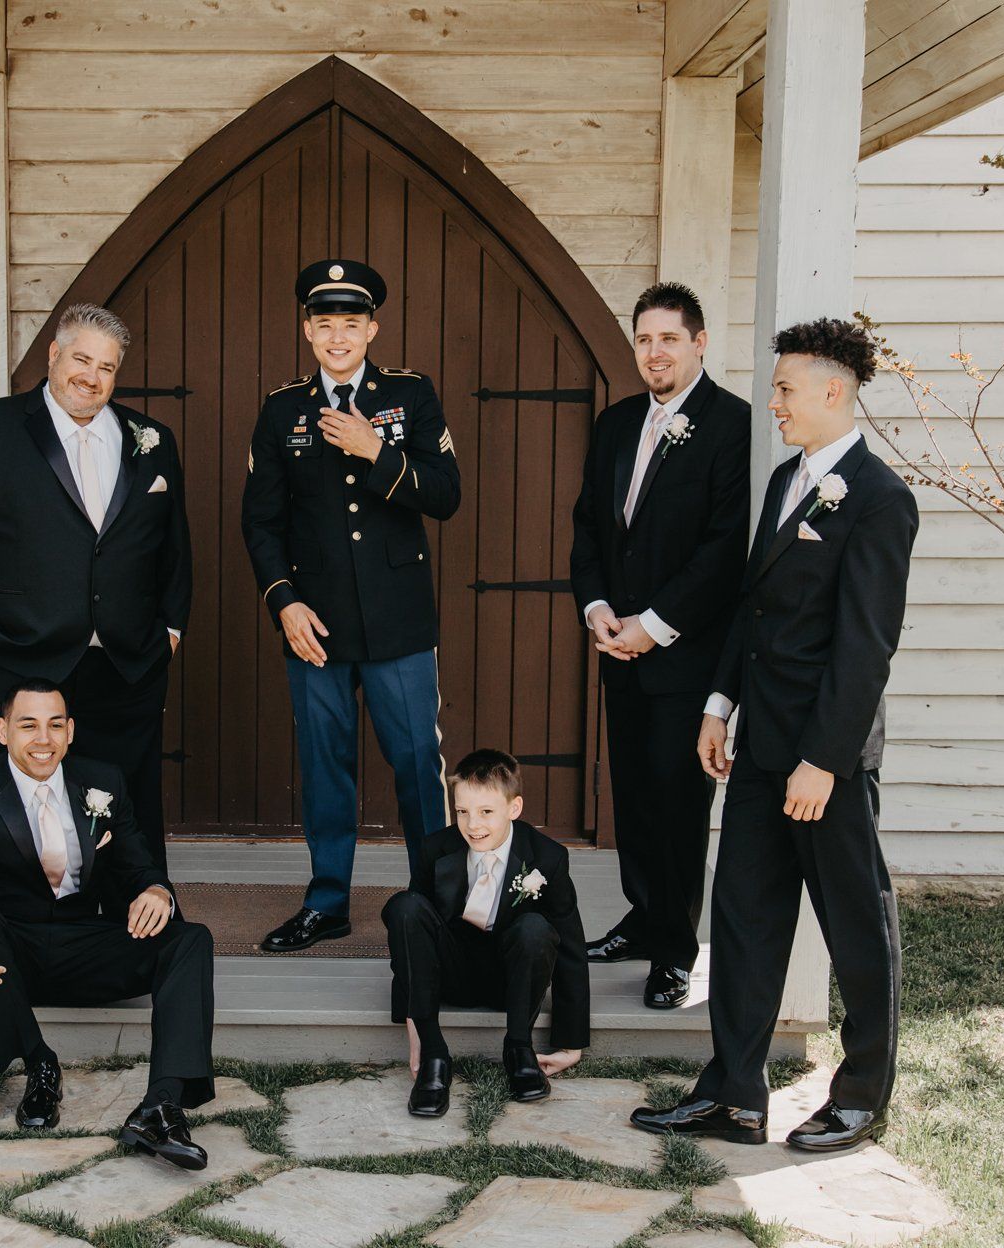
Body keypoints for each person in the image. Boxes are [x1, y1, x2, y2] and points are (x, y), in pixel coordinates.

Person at [630, 318, 917, 1152]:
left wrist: (823, 762)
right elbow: (751, 612)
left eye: (786, 388)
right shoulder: (788, 480)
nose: (774, 402)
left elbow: (867, 650)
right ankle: (734, 1093)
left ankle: (862, 1095)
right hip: (758, 751)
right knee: (746, 917)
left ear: (834, 391)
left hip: (823, 760)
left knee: (856, 924)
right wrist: (720, 704)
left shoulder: (879, 499)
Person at [0, 678, 217, 1170]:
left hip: (85, 945)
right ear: (2, 731)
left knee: (191, 939)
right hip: (5, 959)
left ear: (71, 731)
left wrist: (156, 890)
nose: (43, 739)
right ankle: (39, 1064)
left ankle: (161, 1108)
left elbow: (142, 866)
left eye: (55, 725)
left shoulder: (103, 784)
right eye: (28, 725)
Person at [0, 303, 191, 865]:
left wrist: (168, 631)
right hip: (8, 655)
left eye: (107, 367)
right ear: (54, 355)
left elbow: (175, 547)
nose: (91, 376)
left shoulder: (153, 439)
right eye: (82, 359)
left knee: (125, 813)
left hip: (124, 662)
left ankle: (133, 930)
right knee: (0, 816)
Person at [241, 259, 461, 952]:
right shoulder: (283, 410)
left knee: (418, 768)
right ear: (307, 329)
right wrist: (284, 603)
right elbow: (261, 521)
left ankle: (434, 899)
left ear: (374, 328)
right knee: (325, 765)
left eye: (352, 322)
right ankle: (328, 901)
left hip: (398, 621)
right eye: (325, 322)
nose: (339, 335)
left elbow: (446, 493)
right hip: (318, 624)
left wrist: (375, 451)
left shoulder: (410, 395)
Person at [568, 281, 751, 1009]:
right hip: (619, 650)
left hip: (686, 657)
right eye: (645, 339)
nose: (654, 352)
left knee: (678, 808)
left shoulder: (733, 426)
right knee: (634, 800)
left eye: (668, 338)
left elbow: (723, 548)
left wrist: (656, 624)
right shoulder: (616, 424)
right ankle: (644, 919)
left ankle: (676, 951)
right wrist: (599, 608)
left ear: (699, 343)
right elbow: (588, 525)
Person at [381, 749, 588, 1117]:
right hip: (450, 973)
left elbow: (570, 946)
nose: (472, 825)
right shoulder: (435, 848)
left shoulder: (547, 857)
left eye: (486, 812)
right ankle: (434, 1056)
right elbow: (411, 941)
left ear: (514, 807)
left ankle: (518, 1048)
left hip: (511, 981)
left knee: (536, 928)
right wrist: (414, 1025)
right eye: (463, 811)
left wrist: (570, 1043)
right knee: (406, 906)